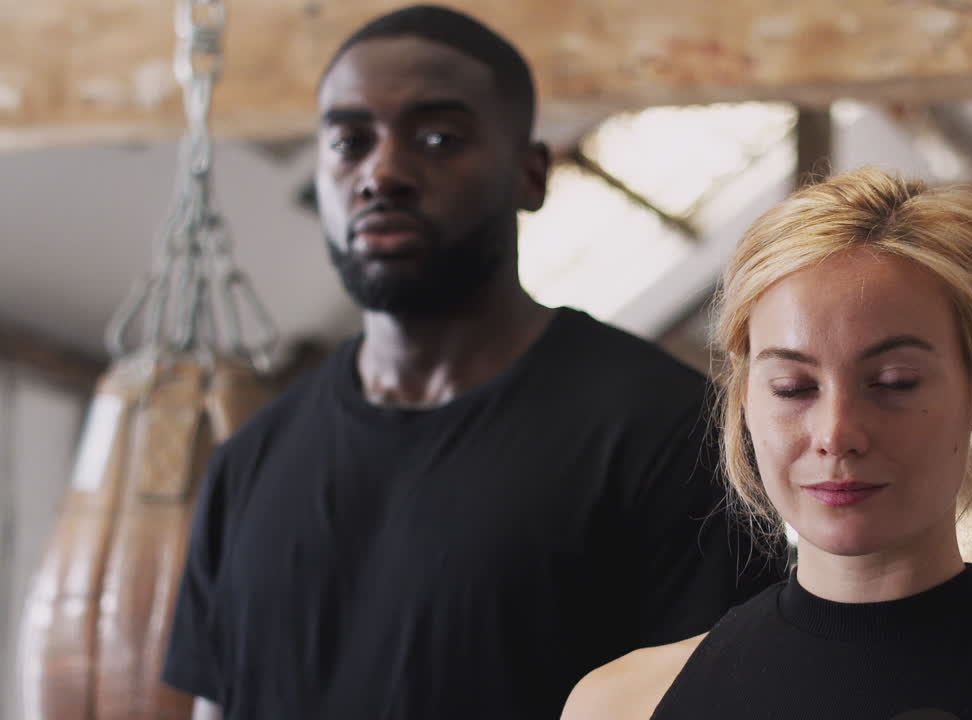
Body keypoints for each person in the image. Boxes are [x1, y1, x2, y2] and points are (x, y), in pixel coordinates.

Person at [161, 6, 780, 719]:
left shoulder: (671, 433)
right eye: (348, 142)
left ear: (531, 175)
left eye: (437, 137)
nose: (382, 172)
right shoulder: (248, 464)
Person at [563, 167, 972, 720]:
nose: (836, 433)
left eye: (893, 383)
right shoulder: (619, 706)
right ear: (745, 396)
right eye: (794, 387)